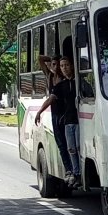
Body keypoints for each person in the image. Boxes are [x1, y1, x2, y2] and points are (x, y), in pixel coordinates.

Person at [35, 57, 82, 189]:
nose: (63, 68)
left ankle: (79, 173)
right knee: (70, 148)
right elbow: (51, 99)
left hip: (78, 120)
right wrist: (39, 111)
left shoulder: (79, 82)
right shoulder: (60, 85)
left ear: (72, 66)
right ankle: (74, 172)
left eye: (66, 65)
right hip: (67, 121)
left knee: (78, 148)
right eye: (61, 66)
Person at [38, 54, 72, 181]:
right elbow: (40, 58)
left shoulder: (63, 78)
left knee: (68, 144)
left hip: (65, 113)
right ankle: (68, 170)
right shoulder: (50, 75)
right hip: (55, 113)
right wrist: (51, 58)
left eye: (59, 64)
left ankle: (70, 169)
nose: (57, 67)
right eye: (54, 64)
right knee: (60, 144)